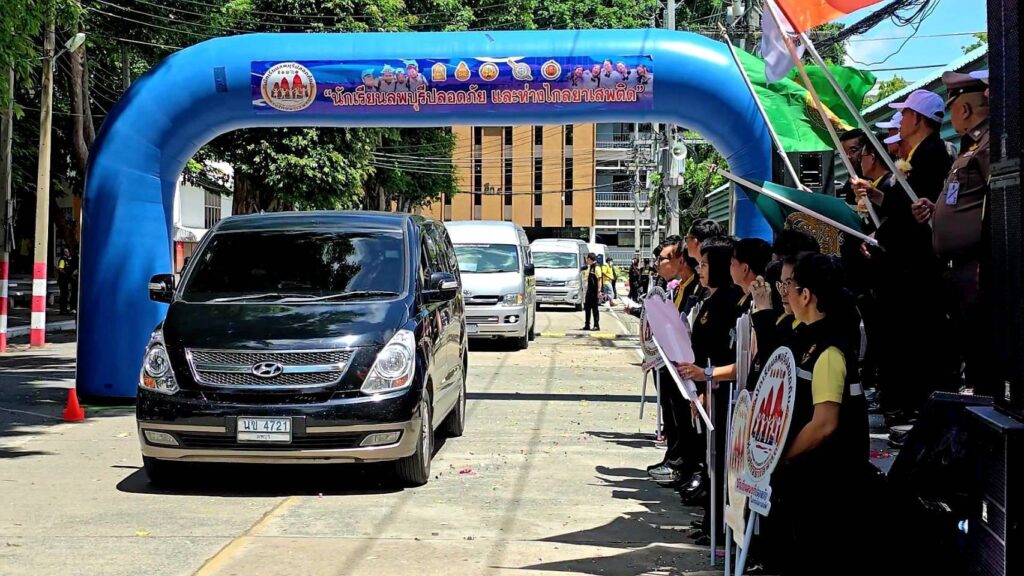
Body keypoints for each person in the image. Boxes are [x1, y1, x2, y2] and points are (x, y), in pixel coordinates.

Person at [764, 253, 870, 576]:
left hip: (826, 485)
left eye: (788, 285)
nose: (783, 292)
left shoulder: (829, 351)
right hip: (805, 480)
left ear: (806, 294)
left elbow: (824, 424)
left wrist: (780, 457)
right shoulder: (803, 335)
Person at [911, 71, 993, 397]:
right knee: (965, 345)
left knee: (981, 351)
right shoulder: (967, 146)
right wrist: (936, 210)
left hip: (976, 266)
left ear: (965, 109)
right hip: (957, 269)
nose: (951, 116)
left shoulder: (988, 145)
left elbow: (1000, 200)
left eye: (953, 108)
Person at [673, 237, 744, 545]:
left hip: (721, 393)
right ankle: (710, 522)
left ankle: (719, 527)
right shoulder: (710, 298)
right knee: (711, 460)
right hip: (703, 389)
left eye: (704, 264)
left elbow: (726, 353)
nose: (699, 270)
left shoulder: (730, 302)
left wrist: (706, 382)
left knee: (720, 460)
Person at [647, 236, 703, 487]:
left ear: (680, 260)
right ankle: (675, 458)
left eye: (663, 259)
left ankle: (685, 465)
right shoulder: (677, 287)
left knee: (684, 417)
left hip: (689, 364)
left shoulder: (696, 289)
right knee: (672, 412)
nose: (658, 264)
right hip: (670, 361)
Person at [837, 129, 865, 204]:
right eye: (843, 153)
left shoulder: (870, 184)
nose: (848, 156)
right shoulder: (848, 185)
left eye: (853, 151)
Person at [582, 253, 602, 331]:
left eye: (587, 259)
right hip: (589, 291)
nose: (586, 261)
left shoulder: (597, 267)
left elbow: (599, 280)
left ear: (590, 259)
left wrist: (599, 291)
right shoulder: (590, 267)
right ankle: (587, 325)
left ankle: (596, 325)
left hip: (594, 291)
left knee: (594, 309)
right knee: (587, 308)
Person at [57, 248, 73, 315]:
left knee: (66, 294)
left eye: (67, 251)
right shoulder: (63, 260)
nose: (67, 252)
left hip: (66, 280)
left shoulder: (68, 259)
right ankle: (63, 309)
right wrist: (66, 274)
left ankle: (65, 309)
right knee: (63, 295)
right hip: (62, 280)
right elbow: (60, 269)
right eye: (65, 251)